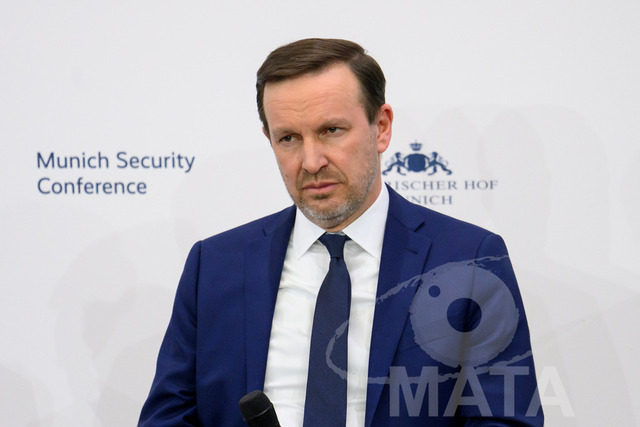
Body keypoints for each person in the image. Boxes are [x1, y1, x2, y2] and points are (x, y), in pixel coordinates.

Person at [139, 38, 543, 426]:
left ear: (381, 127)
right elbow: (167, 418)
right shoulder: (214, 266)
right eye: (288, 138)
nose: (311, 161)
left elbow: (505, 420)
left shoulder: (468, 260)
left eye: (331, 130)